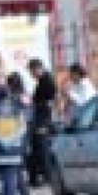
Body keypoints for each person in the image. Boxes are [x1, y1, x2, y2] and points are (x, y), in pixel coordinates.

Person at [5, 72, 34, 195]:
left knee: (15, 170)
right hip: (25, 137)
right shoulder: (26, 97)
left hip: (15, 138)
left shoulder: (12, 99)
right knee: (19, 170)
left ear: (10, 85)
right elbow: (29, 117)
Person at [27, 58, 57, 187]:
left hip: (43, 121)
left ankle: (47, 177)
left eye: (32, 71)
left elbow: (50, 103)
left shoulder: (47, 81)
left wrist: (45, 124)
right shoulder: (42, 81)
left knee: (43, 150)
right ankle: (37, 177)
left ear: (37, 68)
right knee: (37, 149)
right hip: (39, 119)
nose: (31, 74)